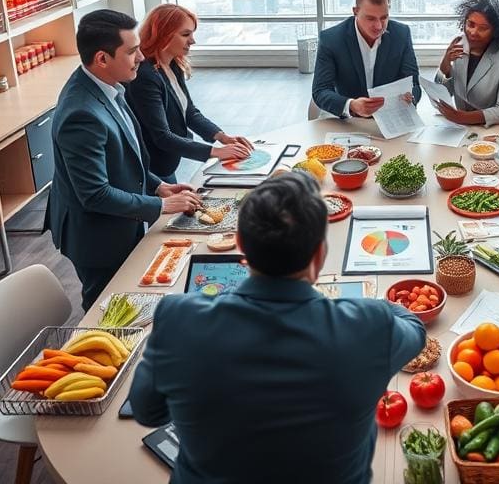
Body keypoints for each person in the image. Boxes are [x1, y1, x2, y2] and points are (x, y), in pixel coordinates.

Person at [129, 172, 426, 484]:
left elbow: (148, 411)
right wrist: (378, 305)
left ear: (240, 244)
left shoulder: (178, 319)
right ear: (320, 254)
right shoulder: (369, 326)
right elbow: (414, 329)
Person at [44, 9, 201, 310]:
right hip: (96, 235)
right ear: (102, 59)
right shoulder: (81, 114)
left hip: (122, 216)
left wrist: (157, 187)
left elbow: (127, 157)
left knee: (129, 299)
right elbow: (94, 194)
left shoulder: (110, 84)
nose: (142, 57)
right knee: (107, 308)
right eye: (131, 51)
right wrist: (162, 206)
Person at [126, 4, 253, 182]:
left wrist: (222, 137)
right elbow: (162, 136)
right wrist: (215, 152)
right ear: (163, 34)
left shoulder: (172, 64)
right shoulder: (145, 77)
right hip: (151, 171)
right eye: (186, 34)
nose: (192, 40)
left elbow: (189, 112)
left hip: (166, 164)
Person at [312, 0, 420, 118]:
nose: (379, 26)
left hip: (390, 118)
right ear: (355, 11)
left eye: (384, 17)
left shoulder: (401, 34)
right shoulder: (331, 39)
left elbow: (414, 83)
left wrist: (411, 97)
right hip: (349, 120)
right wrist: (351, 105)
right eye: (371, 19)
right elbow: (320, 91)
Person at [433, 0, 499, 126]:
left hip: (490, 129)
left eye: (483, 28)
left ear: (495, 31)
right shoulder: (459, 44)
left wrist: (461, 117)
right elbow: (443, 95)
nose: (473, 32)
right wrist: (445, 66)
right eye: (470, 24)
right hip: (460, 129)